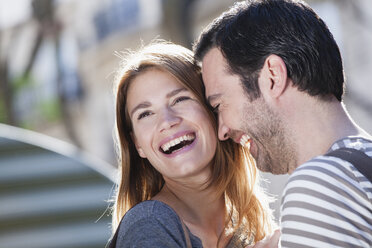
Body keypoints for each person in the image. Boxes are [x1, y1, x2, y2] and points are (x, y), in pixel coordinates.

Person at [193, 0, 372, 247]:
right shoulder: (361, 165)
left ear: (273, 77)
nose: (222, 130)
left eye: (219, 105)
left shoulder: (318, 185)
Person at [109, 41, 277, 248]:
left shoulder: (248, 228)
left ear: (213, 108)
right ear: (137, 144)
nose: (167, 122)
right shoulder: (150, 223)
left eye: (179, 100)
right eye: (145, 114)